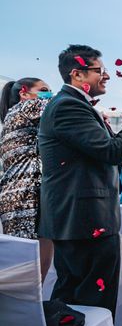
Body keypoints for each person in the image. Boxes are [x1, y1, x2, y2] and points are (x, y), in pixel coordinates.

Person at [38, 44, 122, 319]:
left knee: (75, 297)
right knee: (91, 302)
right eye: (100, 70)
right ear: (77, 75)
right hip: (84, 219)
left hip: (82, 218)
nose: (107, 76)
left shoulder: (74, 105)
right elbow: (111, 152)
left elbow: (111, 150)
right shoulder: (68, 105)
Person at [0, 77, 54, 281]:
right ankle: (26, 310)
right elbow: (61, 106)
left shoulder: (13, 117)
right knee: (29, 265)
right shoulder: (25, 108)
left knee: (34, 261)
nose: (49, 94)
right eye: (44, 90)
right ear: (24, 93)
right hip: (25, 194)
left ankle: (30, 309)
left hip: (21, 193)